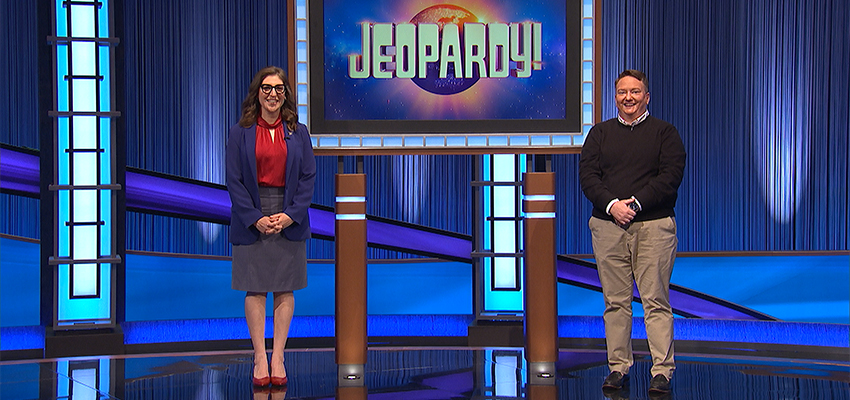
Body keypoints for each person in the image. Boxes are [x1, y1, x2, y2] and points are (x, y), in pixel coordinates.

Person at [578, 69, 686, 394]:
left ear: (646, 96)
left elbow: (669, 178)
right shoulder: (599, 134)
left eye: (635, 92)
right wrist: (613, 205)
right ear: (615, 97)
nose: (629, 98)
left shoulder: (665, 133)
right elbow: (588, 176)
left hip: (654, 227)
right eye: (623, 92)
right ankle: (618, 367)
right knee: (615, 302)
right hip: (608, 226)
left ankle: (662, 371)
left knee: (655, 301)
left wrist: (635, 205)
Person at [226, 66, 316, 387]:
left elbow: (307, 178)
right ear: (258, 93)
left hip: (287, 214)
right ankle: (259, 356)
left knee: (284, 285)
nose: (273, 95)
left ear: (286, 95)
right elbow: (234, 181)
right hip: (252, 215)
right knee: (255, 286)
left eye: (279, 89)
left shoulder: (299, 132)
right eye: (267, 88)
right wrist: (254, 217)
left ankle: (278, 355)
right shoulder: (240, 132)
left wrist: (291, 214)